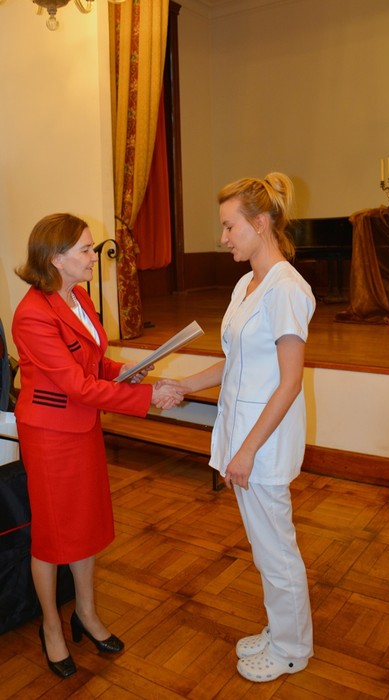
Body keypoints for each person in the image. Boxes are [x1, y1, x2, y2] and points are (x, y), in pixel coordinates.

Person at [12, 213, 183, 679]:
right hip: (50, 434)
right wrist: (147, 398)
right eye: (86, 250)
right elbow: (74, 385)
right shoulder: (32, 313)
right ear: (56, 259)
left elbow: (90, 363)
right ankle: (51, 626)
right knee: (53, 535)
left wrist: (125, 371)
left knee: (84, 524)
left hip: (81, 425)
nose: (94, 257)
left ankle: (85, 614)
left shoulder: (80, 296)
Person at [175, 173, 315, 682]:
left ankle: (293, 648)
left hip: (263, 445)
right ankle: (280, 630)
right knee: (264, 546)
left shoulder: (286, 289)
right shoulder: (246, 284)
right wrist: (183, 385)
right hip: (243, 436)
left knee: (277, 550)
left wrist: (248, 451)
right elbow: (233, 361)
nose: (223, 238)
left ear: (260, 224)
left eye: (229, 226)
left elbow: (290, 382)